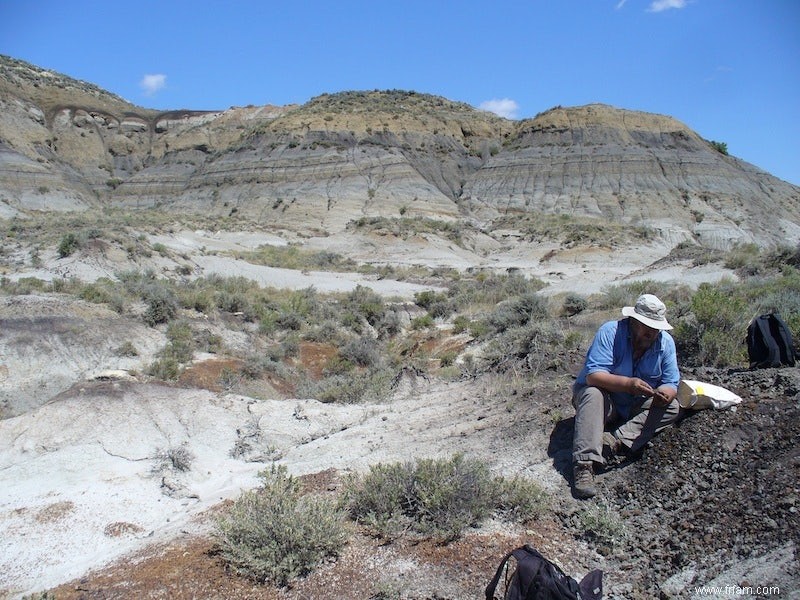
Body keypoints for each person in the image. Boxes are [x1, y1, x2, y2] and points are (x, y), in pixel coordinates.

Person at [571, 293, 680, 499]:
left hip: (635, 405)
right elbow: (594, 376)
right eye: (647, 326)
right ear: (634, 321)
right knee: (594, 394)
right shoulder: (610, 332)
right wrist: (629, 384)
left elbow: (671, 381)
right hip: (606, 403)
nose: (652, 332)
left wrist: (665, 393)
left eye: (656, 328)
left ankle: (616, 441)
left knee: (673, 406)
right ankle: (584, 464)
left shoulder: (666, 343)